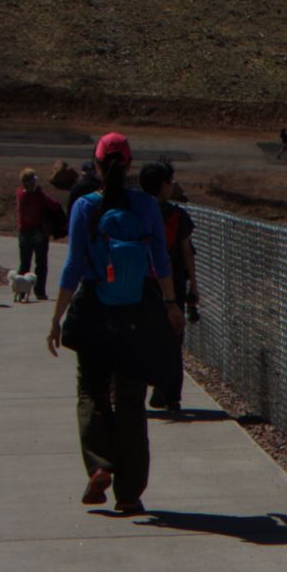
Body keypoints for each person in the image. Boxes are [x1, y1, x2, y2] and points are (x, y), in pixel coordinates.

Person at [47, 132, 184, 512]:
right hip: (136, 311)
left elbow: (74, 265)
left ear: (96, 162)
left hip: (94, 309)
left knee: (91, 392)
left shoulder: (85, 207)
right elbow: (161, 261)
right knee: (131, 401)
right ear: (128, 164)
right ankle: (130, 494)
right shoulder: (145, 206)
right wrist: (170, 303)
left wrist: (57, 317)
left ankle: (99, 465)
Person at [139, 161, 199, 416]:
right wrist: (193, 287)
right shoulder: (177, 216)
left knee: (143, 339)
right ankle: (170, 394)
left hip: (141, 285)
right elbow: (187, 253)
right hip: (172, 285)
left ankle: (141, 386)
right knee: (173, 341)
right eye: (171, 181)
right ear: (164, 185)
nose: (173, 185)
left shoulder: (134, 211)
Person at [15, 168, 52, 301]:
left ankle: (21, 291)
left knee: (24, 264)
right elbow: (49, 205)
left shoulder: (20, 193)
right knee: (41, 263)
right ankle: (40, 291)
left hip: (24, 232)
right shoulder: (38, 196)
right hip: (38, 232)